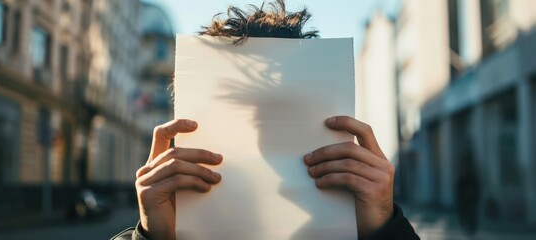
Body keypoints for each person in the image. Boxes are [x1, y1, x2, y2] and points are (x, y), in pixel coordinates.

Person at [113, 1, 419, 239]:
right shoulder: (166, 219)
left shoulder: (361, 220)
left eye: (287, 122)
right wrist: (152, 234)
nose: (262, 147)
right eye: (237, 122)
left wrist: (383, 227)